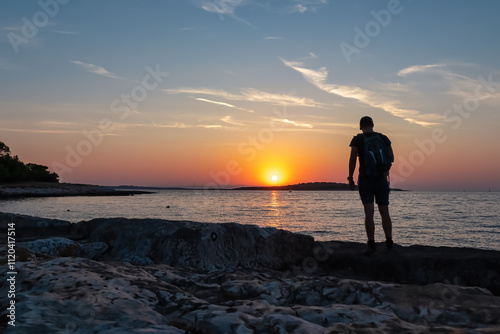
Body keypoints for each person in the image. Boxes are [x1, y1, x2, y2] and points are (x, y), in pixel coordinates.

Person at [348, 116, 394, 254]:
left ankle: (371, 244)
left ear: (360, 126)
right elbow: (391, 158)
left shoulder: (358, 139)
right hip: (381, 180)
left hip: (366, 180)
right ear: (373, 125)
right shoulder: (383, 138)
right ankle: (389, 243)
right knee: (384, 212)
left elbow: (352, 159)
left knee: (369, 213)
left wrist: (350, 178)